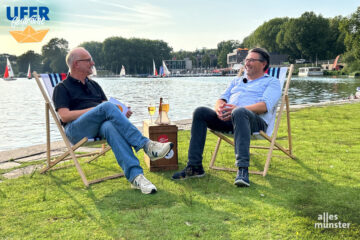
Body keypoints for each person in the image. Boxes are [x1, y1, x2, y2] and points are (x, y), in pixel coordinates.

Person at [53, 47, 173, 194]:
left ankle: (136, 177)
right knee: (107, 107)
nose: (93, 63)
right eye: (89, 60)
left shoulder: (94, 85)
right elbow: (64, 116)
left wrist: (120, 112)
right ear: (76, 64)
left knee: (110, 125)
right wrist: (99, 110)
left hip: (99, 126)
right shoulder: (62, 87)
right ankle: (146, 145)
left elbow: (107, 109)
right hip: (76, 130)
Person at [172, 48, 281, 187]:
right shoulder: (237, 81)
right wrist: (219, 110)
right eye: (246, 60)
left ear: (263, 64)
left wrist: (237, 109)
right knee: (200, 112)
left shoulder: (272, 82)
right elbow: (221, 99)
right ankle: (194, 167)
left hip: (254, 122)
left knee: (239, 112)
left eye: (252, 60)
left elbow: (264, 106)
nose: (247, 63)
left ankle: (242, 170)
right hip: (229, 119)